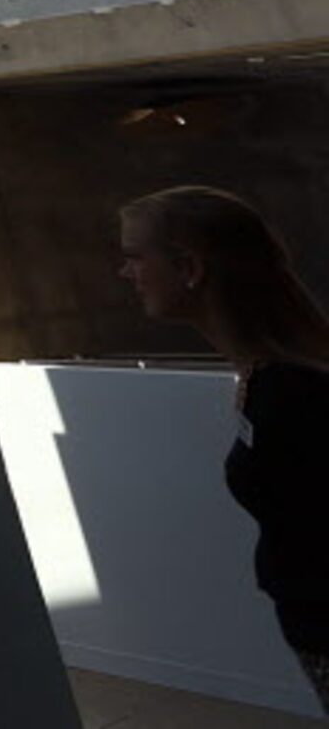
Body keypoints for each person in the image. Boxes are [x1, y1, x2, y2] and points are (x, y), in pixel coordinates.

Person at [120, 185, 329, 708]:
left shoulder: (295, 393)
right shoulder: (268, 379)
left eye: (134, 257)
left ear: (189, 267)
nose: (127, 274)